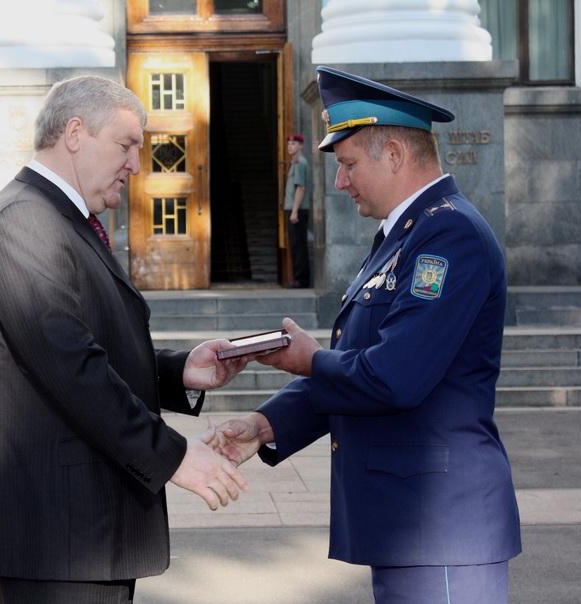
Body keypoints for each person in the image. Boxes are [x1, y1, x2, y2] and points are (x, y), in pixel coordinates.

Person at [213, 66, 521, 603]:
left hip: (439, 526)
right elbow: (359, 367)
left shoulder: (447, 235)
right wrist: (264, 425)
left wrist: (310, 361)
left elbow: (393, 377)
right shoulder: (403, 235)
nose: (340, 180)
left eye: (350, 163)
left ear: (396, 154)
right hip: (410, 526)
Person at [0, 75, 250, 604]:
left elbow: (83, 348)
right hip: (57, 533)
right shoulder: (25, 222)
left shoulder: (60, 219)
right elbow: (72, 369)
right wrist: (174, 456)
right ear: (76, 132)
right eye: (128, 144)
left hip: (78, 529)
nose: (136, 165)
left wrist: (179, 372)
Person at [284, 133, 311, 288]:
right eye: (289, 144)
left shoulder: (299, 163)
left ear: (301, 146)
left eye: (294, 144)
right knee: (296, 245)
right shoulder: (295, 162)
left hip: (298, 211)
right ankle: (299, 278)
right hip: (296, 209)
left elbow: (301, 188)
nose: (290, 146)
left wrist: (294, 212)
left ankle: (301, 280)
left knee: (299, 246)